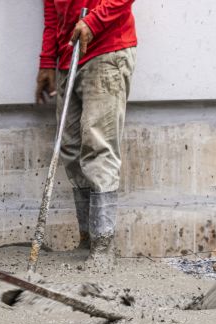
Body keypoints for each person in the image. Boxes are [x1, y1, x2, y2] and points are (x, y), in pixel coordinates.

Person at [35, 0, 137, 270]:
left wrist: (94, 21)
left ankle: (103, 246)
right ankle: (87, 239)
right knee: (70, 148)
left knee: (98, 145)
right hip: (70, 57)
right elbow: (51, 13)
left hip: (106, 51)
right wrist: (47, 61)